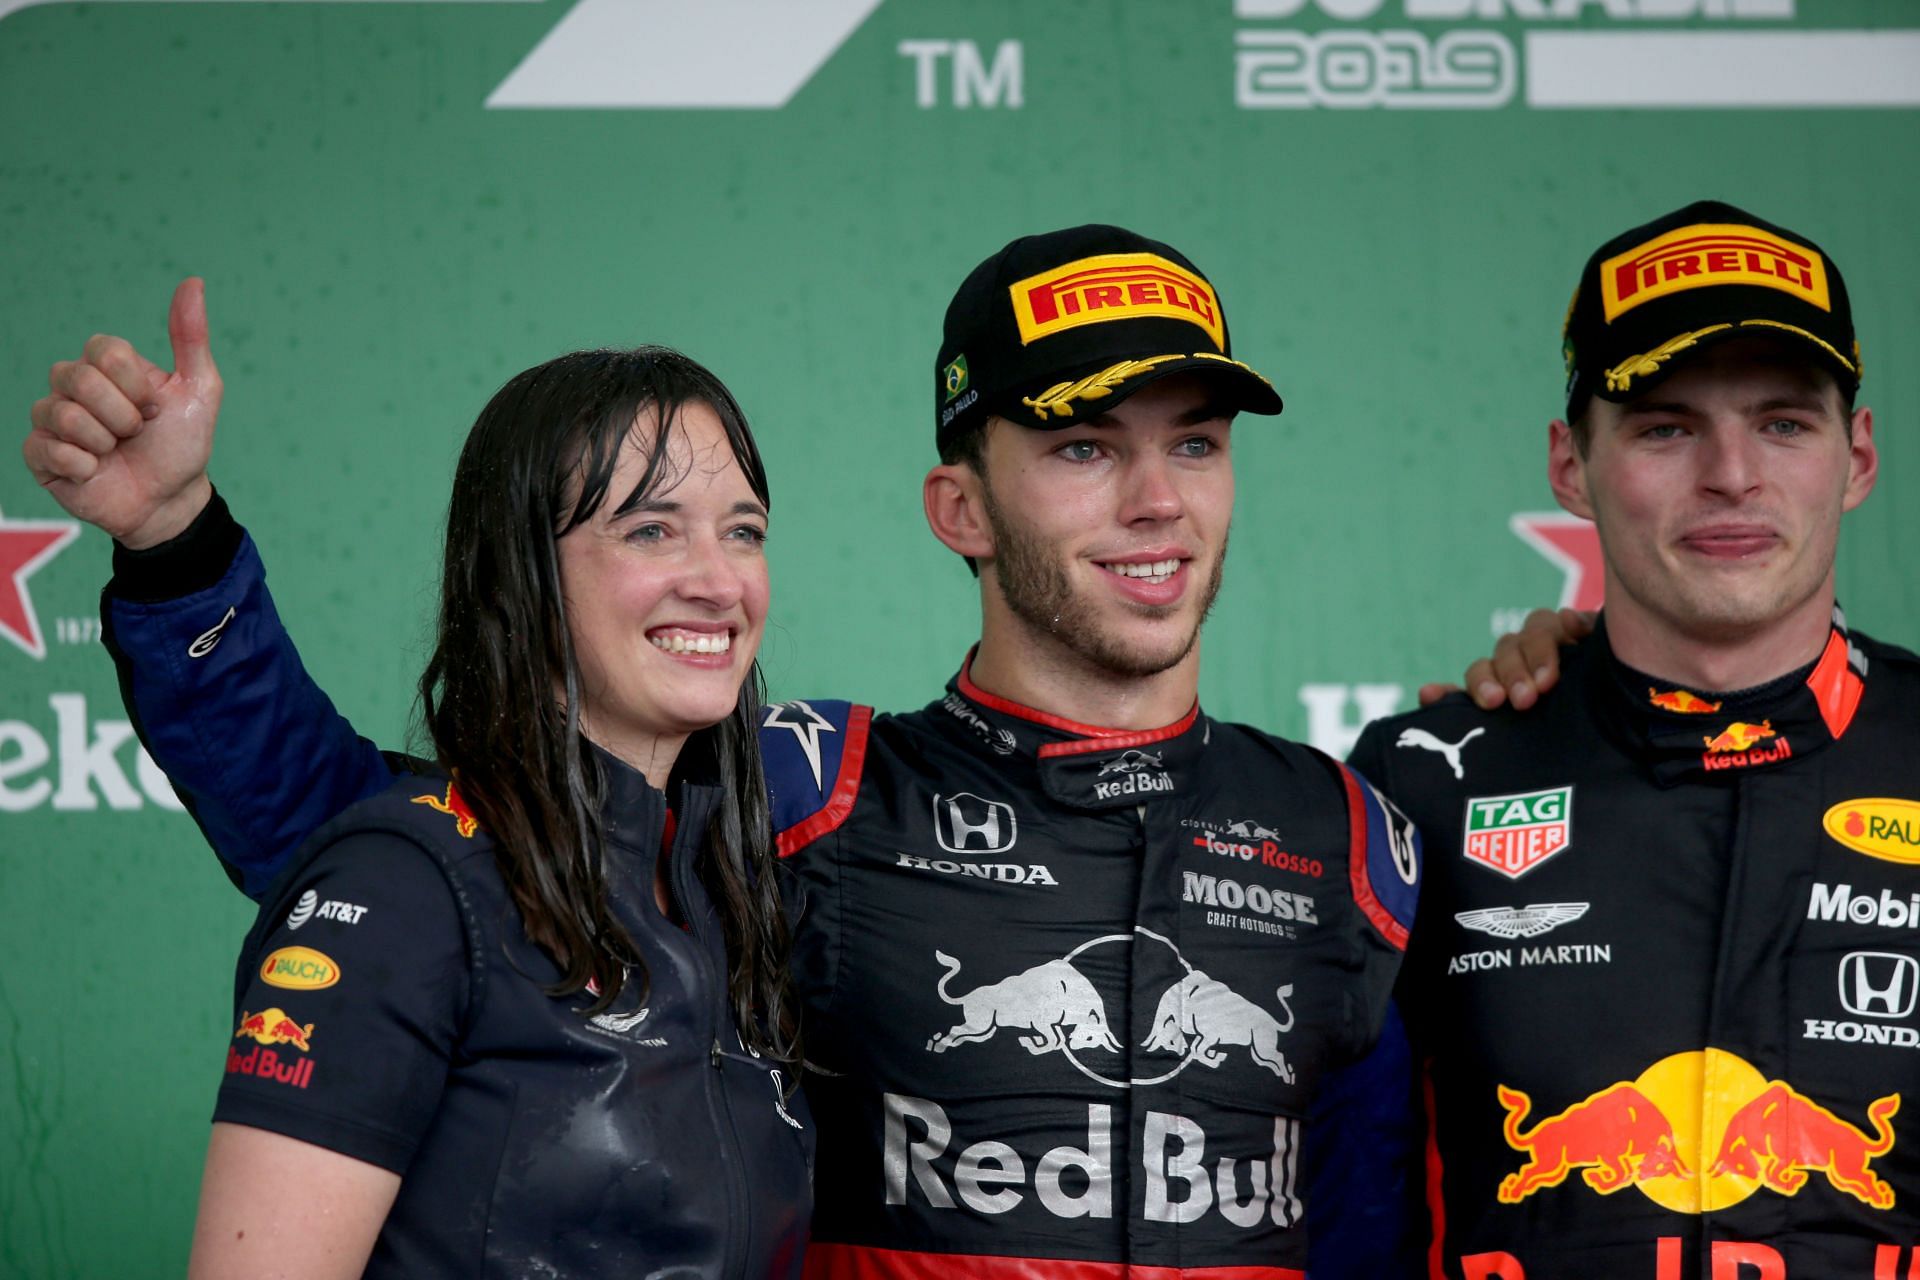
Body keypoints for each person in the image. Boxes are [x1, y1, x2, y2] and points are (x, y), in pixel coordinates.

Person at [26, 230, 1421, 1277]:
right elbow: (376, 841)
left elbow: (1375, 1242)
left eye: (1197, 444)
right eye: (1080, 448)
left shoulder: (1350, 839)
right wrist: (180, 554)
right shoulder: (814, 794)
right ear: (961, 506)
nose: (1155, 500)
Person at [30, 300, 812, 1276]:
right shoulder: (415, 876)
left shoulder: (745, 890)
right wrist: (173, 538)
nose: (718, 578)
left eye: (744, 530)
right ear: (519, 572)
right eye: (651, 529)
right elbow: (282, 774)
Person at [1348, 200, 1915, 1277]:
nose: (1733, 474)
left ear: (1859, 454)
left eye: (1785, 422)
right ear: (1570, 464)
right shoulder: (1423, 780)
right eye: (1665, 425)